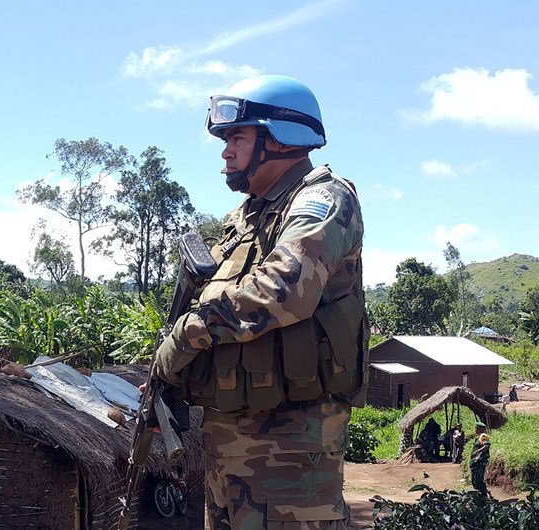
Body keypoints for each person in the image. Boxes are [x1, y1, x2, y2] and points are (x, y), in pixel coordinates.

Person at [152, 74, 367, 529]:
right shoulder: (245, 218)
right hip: (226, 447)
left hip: (290, 451)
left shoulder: (323, 200)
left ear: (279, 138)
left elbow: (284, 288)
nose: (226, 150)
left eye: (237, 136)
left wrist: (189, 333)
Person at [469, 421, 491, 497]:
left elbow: (486, 446)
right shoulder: (478, 437)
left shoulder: (483, 436)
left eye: (476, 428)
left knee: (478, 481)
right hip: (475, 463)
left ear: (480, 429)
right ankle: (481, 497)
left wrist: (477, 452)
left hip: (480, 463)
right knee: (474, 482)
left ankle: (485, 496)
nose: (475, 429)